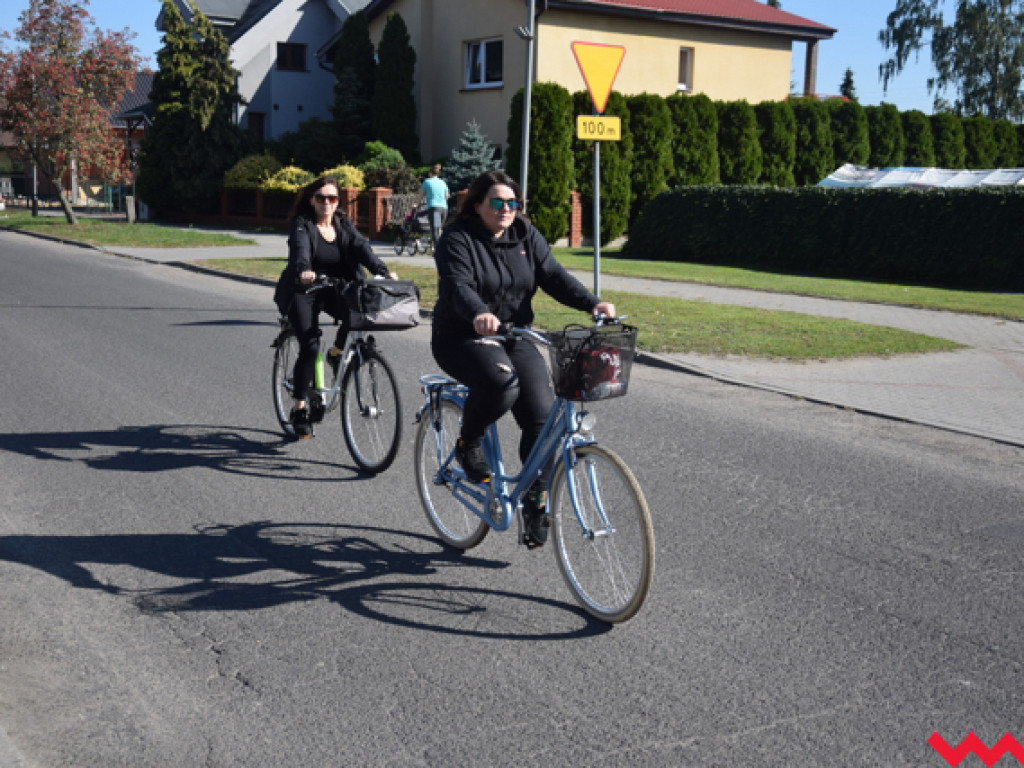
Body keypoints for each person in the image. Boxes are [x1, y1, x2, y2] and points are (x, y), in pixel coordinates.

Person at [431, 170, 615, 549]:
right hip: (463, 334)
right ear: (479, 203)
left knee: (544, 420)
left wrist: (592, 303)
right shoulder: (457, 238)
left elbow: (554, 275)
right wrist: (479, 313)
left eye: (514, 202)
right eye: (498, 202)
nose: (507, 209)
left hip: (514, 333)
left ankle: (535, 500)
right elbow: (458, 286)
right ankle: (468, 442)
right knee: (501, 384)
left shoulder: (525, 235)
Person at [274, 175, 397, 438]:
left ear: (338, 202)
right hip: (304, 289)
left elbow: (361, 247)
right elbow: (300, 250)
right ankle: (300, 409)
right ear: (312, 200)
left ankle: (337, 352)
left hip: (333, 287)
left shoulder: (343, 223)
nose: (327, 203)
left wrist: (383, 271)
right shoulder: (302, 224)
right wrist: (304, 270)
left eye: (332, 198)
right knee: (310, 346)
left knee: (358, 315)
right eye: (321, 198)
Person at [418, 163, 450, 251]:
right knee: (440, 229)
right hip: (444, 209)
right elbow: (447, 196)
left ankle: (438, 250)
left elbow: (420, 195)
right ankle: (443, 248)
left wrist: (417, 205)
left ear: (430, 173)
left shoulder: (427, 181)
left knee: (435, 230)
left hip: (435, 209)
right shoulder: (443, 182)